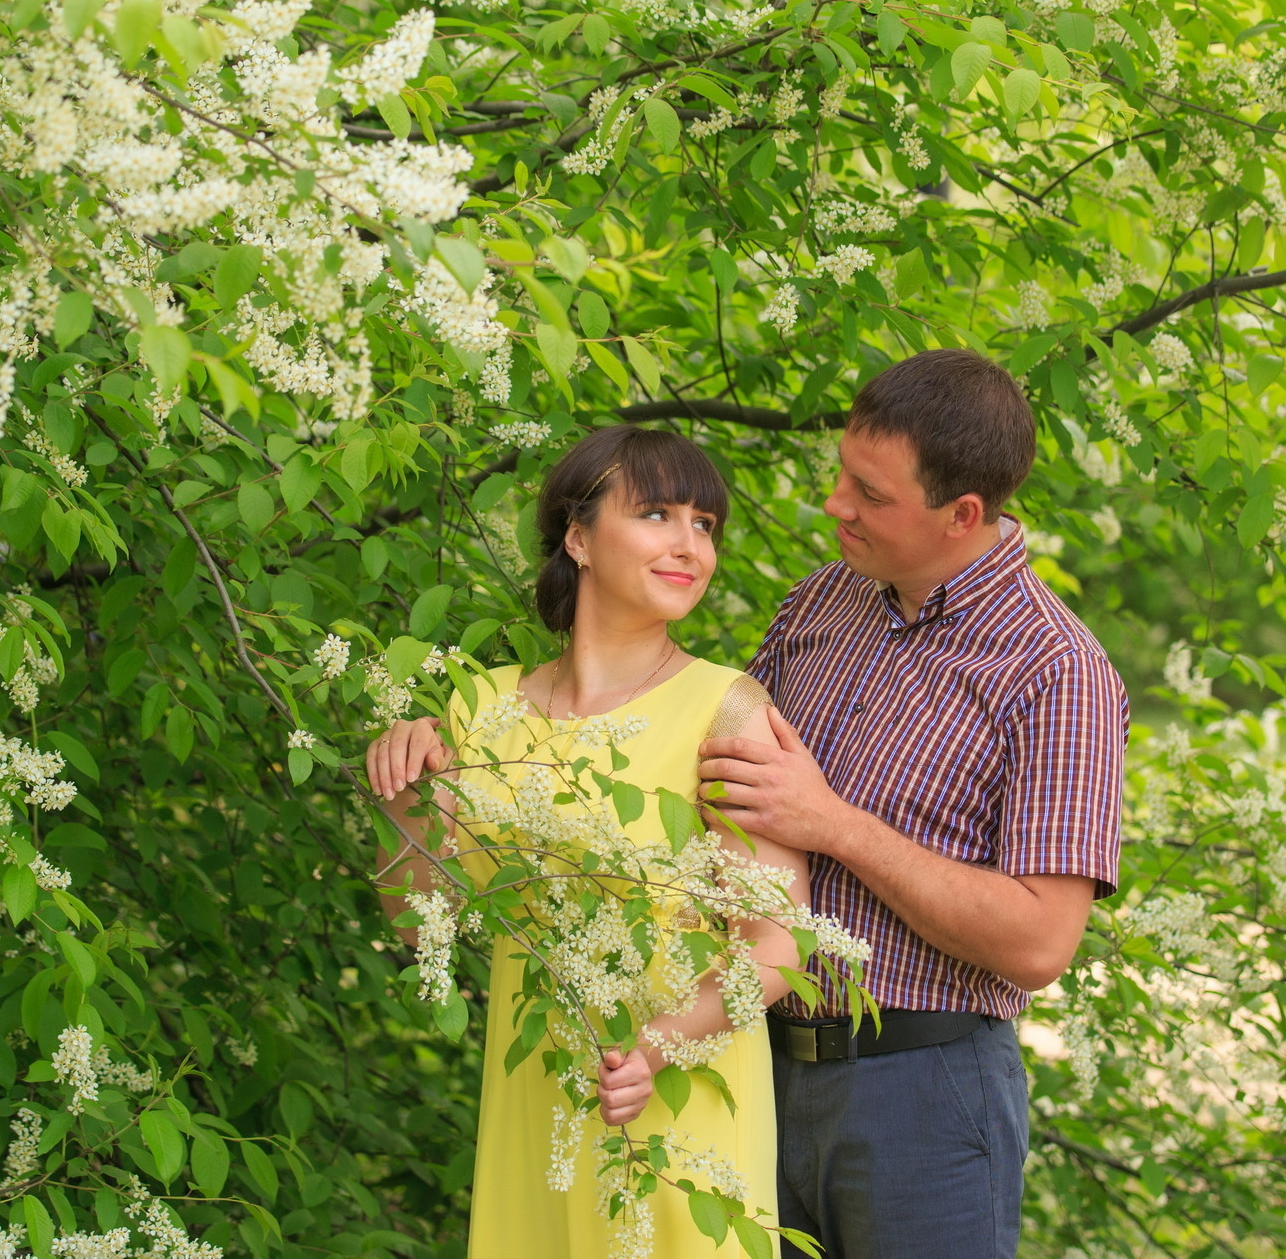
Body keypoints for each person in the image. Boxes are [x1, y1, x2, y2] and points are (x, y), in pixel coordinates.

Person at [697, 348, 1129, 1259]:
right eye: (843, 475)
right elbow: (716, 787)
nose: (836, 504)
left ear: (961, 515)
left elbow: (1039, 941)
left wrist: (834, 825)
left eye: (871, 492)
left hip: (923, 1096)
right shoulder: (820, 602)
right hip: (755, 1066)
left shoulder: (1057, 673)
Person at [366, 426, 808, 1258]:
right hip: (533, 1104)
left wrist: (659, 1042)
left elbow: (778, 944)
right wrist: (404, 796)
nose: (689, 545)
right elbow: (418, 921)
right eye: (656, 514)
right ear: (578, 536)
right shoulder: (479, 708)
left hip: (675, 1106)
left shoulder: (729, 709)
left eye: (704, 524)